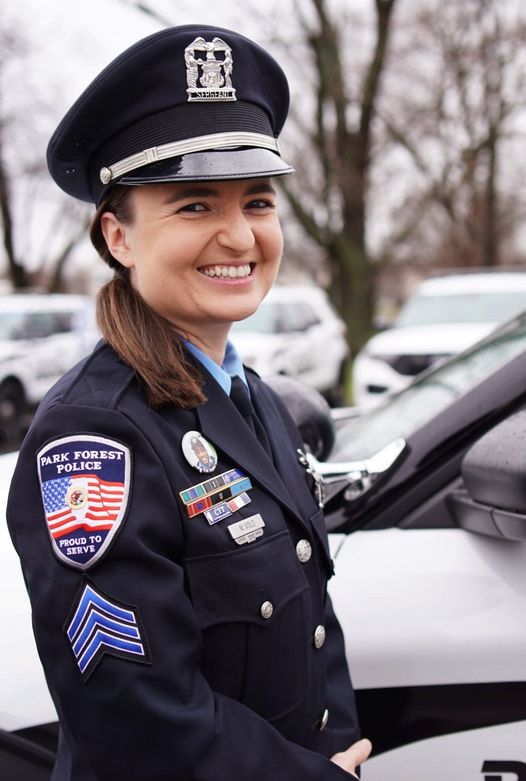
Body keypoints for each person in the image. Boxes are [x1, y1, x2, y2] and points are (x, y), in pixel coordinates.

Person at [7, 25, 372, 780]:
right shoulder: (95, 434)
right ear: (120, 235)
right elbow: (134, 719)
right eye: (196, 205)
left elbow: (309, 621)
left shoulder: (248, 395)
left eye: (259, 201)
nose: (239, 234)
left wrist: (337, 748)